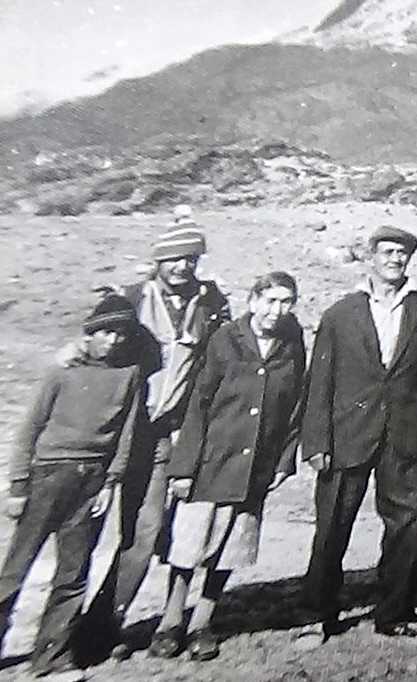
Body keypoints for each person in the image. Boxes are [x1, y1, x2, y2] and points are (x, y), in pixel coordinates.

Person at [79, 210, 231, 658]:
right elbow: (92, 344)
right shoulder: (131, 297)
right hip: (111, 432)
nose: (182, 266)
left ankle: (104, 626)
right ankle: (60, 629)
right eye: (174, 258)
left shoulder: (210, 304)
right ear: (158, 261)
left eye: (190, 258)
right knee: (81, 534)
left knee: (142, 534)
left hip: (164, 436)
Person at [298, 225, 417, 646]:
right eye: (387, 251)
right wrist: (316, 443)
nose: (394, 259)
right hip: (347, 436)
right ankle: (317, 615)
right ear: (371, 256)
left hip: (404, 436)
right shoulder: (340, 313)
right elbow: (319, 382)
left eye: (402, 253)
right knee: (331, 527)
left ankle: (396, 614)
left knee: (409, 525)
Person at [147, 272, 305, 661]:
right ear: (252, 300)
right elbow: (198, 404)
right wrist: (183, 468)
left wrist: (284, 462)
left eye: (286, 302)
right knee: (188, 546)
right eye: (269, 300)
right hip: (211, 463)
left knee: (229, 549)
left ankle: (203, 622)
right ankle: (170, 622)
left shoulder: (292, 345)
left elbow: (295, 410)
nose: (277, 310)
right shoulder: (226, 339)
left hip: (254, 466)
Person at [0, 296, 145, 682]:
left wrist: (110, 482)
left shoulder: (129, 374)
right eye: (104, 332)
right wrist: (18, 486)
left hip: (92, 482)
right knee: (16, 569)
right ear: (90, 334)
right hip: (48, 477)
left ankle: (50, 660)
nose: (112, 340)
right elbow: (28, 430)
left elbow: (126, 435)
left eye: (120, 333)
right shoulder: (61, 372)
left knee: (73, 573)